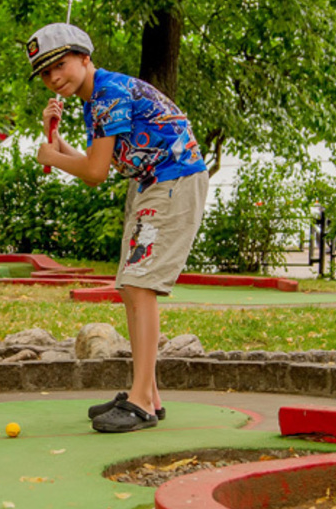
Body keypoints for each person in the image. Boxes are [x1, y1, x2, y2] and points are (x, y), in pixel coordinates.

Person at [28, 22, 208, 432]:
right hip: (149, 182)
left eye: (60, 64)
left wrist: (52, 157)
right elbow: (102, 164)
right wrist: (53, 142)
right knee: (131, 284)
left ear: (85, 58)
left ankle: (141, 400)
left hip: (173, 179)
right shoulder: (98, 100)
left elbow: (91, 172)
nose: (54, 76)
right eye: (44, 71)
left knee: (140, 284)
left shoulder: (108, 96)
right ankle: (148, 394)